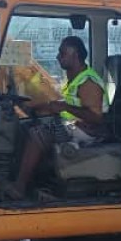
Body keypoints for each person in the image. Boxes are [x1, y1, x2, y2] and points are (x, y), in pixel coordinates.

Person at [8, 36, 108, 199]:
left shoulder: (88, 82)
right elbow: (67, 104)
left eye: (62, 53)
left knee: (38, 134)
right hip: (74, 125)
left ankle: (19, 187)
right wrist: (38, 107)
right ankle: (34, 183)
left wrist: (63, 107)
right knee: (26, 126)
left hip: (89, 132)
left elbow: (96, 118)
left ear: (75, 55)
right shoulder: (75, 78)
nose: (57, 56)